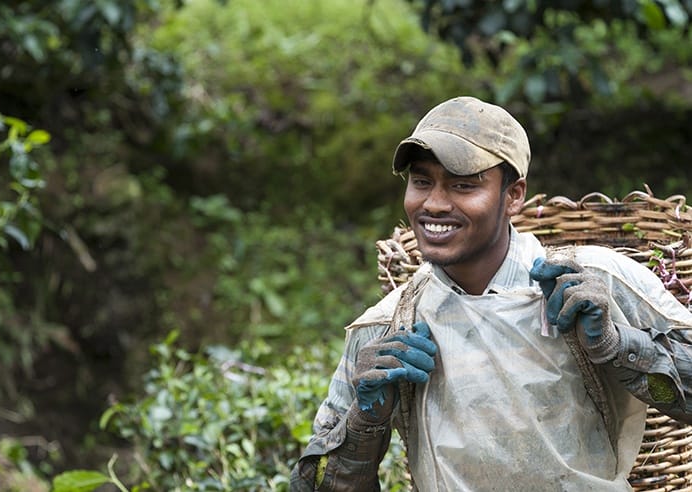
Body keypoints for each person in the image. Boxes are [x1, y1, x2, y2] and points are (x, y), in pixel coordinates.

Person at [289, 95, 692, 491]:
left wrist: (618, 344)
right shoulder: (387, 327)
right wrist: (364, 421)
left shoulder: (593, 283)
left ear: (514, 195)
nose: (434, 204)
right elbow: (318, 484)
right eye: (421, 181)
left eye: (463, 186)